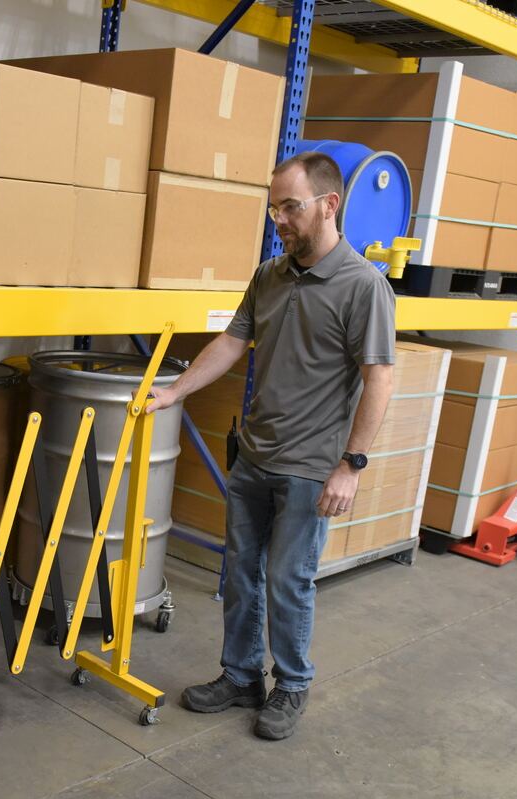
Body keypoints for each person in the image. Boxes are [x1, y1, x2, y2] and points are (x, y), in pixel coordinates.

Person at [145, 151, 396, 740]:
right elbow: (232, 343)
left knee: (288, 580)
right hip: (255, 453)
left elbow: (379, 379)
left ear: (329, 205)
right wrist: (176, 391)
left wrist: (351, 465)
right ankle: (240, 676)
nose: (279, 219)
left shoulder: (363, 286)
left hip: (311, 468)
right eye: (273, 208)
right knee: (240, 574)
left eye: (290, 207)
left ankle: (292, 683)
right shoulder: (269, 276)